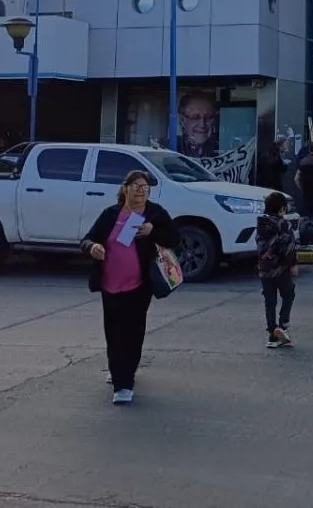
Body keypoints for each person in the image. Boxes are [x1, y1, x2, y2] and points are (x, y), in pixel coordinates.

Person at [80, 170, 179, 405]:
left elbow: (175, 239)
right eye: (136, 186)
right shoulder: (110, 214)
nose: (140, 191)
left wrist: (153, 231)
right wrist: (92, 247)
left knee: (132, 331)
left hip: (139, 285)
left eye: (145, 187)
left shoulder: (155, 213)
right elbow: (87, 239)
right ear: (125, 189)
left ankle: (124, 384)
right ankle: (117, 370)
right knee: (113, 331)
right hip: (110, 284)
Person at [256, 191, 298, 348]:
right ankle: (283, 324)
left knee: (270, 301)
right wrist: (293, 264)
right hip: (281, 268)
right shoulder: (284, 224)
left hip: (264, 268)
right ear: (282, 208)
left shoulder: (261, 224)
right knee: (289, 294)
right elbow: (290, 246)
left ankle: (272, 334)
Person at [176, 91, 219, 157]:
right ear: (182, 120)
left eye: (208, 117)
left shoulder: (221, 146)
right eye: (195, 117)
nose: (202, 124)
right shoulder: (170, 147)